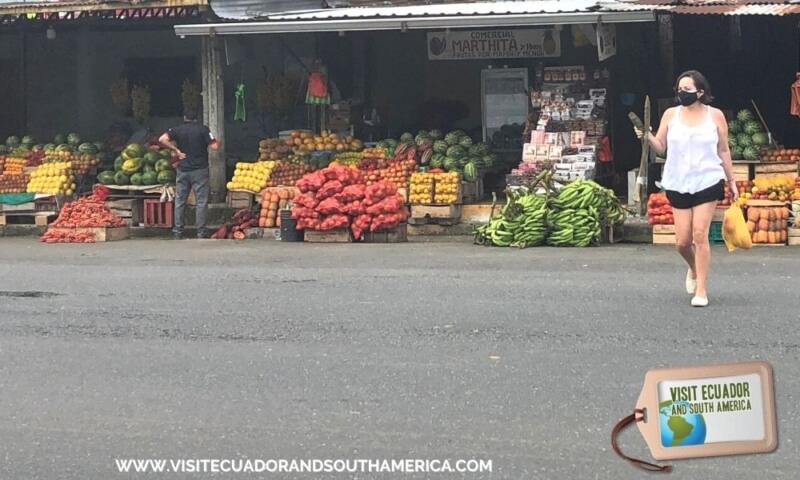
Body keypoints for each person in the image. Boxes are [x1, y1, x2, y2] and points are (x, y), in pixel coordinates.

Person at [635, 70, 738, 307]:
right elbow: (660, 147)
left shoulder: (716, 116)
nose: (682, 93)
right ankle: (692, 268)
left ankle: (701, 289)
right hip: (678, 181)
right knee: (682, 241)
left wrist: (731, 180)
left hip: (708, 179)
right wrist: (646, 136)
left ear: (700, 92)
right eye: (679, 89)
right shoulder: (671, 115)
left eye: (687, 90)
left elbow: (723, 149)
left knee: (700, 234)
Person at [159, 108, 220, 239]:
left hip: (183, 170)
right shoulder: (203, 129)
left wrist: (176, 150)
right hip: (199, 171)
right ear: (197, 118)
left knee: (180, 201)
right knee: (201, 201)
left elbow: (162, 139)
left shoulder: (177, 129)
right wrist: (217, 141)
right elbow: (214, 146)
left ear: (185, 117)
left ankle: (178, 231)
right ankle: (201, 231)